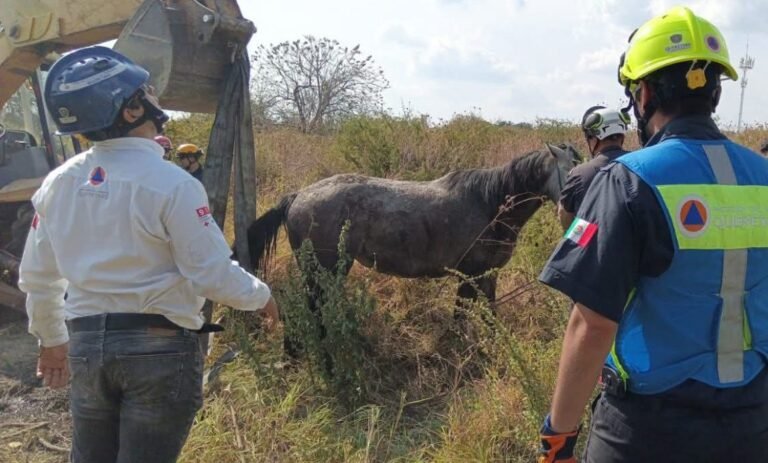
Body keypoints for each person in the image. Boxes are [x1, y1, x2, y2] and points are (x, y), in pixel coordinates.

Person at [19, 46, 279, 463]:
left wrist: (52, 341)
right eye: (149, 91)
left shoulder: (57, 183)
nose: (157, 98)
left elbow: (38, 278)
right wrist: (261, 295)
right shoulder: (173, 184)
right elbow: (209, 274)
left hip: (85, 347)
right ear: (130, 110)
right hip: (158, 351)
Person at [536, 6, 768, 463]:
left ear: (643, 94)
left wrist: (558, 438)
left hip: (647, 430)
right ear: (715, 93)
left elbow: (592, 324)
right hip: (754, 422)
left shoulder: (629, 180)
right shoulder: (763, 176)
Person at [558, 106, 630, 229]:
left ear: (594, 138)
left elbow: (564, 214)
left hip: (597, 245)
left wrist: (583, 240)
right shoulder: (641, 165)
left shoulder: (579, 173)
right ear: (622, 136)